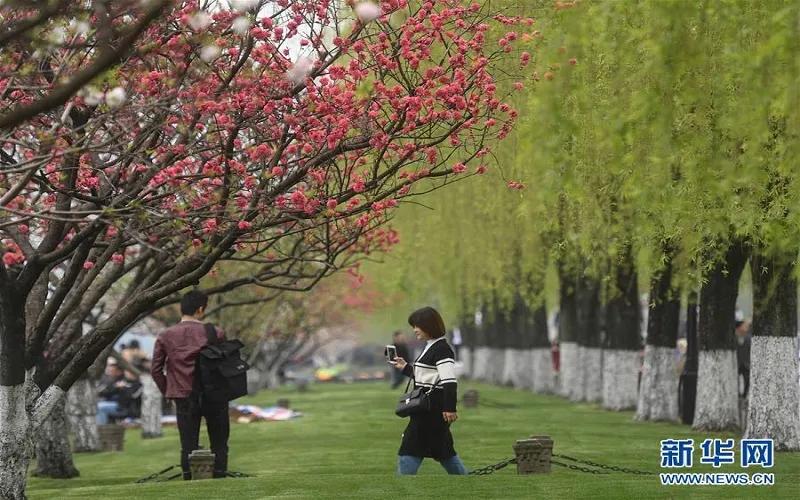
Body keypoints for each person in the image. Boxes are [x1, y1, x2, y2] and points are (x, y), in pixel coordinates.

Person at [151, 290, 229, 480]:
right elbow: (225, 365)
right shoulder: (216, 333)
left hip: (183, 394)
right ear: (200, 309)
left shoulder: (165, 336)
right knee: (219, 441)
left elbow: (156, 370)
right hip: (213, 393)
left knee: (188, 443)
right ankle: (219, 474)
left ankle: (188, 475)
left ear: (182, 309)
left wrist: (168, 391)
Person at [391, 306, 468, 475]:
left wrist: (450, 408)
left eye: (417, 326)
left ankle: (403, 482)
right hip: (426, 407)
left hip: (431, 409)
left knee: (410, 447)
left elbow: (449, 381)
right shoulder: (430, 346)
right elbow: (426, 376)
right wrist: (405, 367)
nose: (414, 330)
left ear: (429, 326)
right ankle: (464, 479)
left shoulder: (442, 349)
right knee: (444, 451)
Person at [97, 359, 142, 424]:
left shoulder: (139, 384)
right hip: (120, 406)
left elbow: (133, 397)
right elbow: (106, 393)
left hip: (128, 409)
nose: (126, 373)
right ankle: (103, 426)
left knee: (100, 407)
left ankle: (102, 427)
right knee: (98, 404)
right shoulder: (123, 380)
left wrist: (124, 388)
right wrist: (116, 387)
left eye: (128, 371)